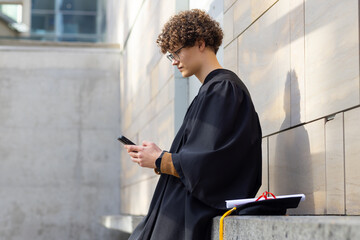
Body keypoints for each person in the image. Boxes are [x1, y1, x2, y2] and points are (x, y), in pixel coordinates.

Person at [125, 9, 262, 240]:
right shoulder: (212, 91)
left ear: (200, 43)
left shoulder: (222, 90)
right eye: (170, 56)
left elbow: (211, 162)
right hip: (179, 213)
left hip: (188, 218)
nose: (174, 62)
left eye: (176, 52)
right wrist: (158, 158)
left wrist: (160, 159)